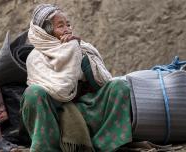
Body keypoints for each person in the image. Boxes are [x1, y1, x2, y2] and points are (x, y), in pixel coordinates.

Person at [21, 4, 132, 152]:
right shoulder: (36, 58)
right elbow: (61, 91)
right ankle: (47, 148)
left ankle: (103, 145)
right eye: (61, 26)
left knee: (119, 86)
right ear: (46, 32)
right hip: (53, 117)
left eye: (68, 24)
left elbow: (103, 83)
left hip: (87, 111)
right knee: (32, 93)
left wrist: (82, 55)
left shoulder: (82, 48)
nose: (68, 29)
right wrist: (72, 52)